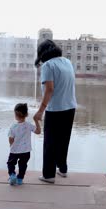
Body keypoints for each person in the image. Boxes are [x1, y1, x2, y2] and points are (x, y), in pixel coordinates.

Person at [34, 40, 77, 184]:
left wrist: (40, 111)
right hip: (70, 107)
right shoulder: (67, 62)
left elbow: (50, 89)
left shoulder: (48, 65)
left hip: (55, 109)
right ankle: (62, 169)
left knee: (50, 142)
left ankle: (48, 175)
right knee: (64, 140)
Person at [8, 103, 41, 185]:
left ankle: (12, 175)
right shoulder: (29, 125)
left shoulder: (13, 126)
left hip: (15, 150)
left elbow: (11, 138)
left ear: (15, 114)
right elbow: (38, 131)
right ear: (26, 114)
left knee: (11, 163)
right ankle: (20, 179)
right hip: (26, 151)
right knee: (23, 165)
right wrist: (36, 121)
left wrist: (11, 145)